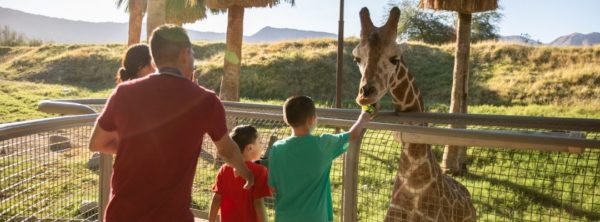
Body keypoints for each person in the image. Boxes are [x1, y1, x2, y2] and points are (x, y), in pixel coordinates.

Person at [88, 24, 254, 222]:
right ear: (184, 54)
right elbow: (226, 150)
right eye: (193, 54)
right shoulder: (206, 101)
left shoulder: (124, 92)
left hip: (121, 215)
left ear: (154, 58)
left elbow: (97, 142)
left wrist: (139, 149)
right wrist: (246, 173)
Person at [268, 96, 371, 222]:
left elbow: (273, 187)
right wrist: (364, 116)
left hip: (285, 217)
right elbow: (352, 135)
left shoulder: (277, 149)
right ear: (311, 120)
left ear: (286, 119)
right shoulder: (323, 145)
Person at [209, 125, 271, 222]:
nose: (262, 146)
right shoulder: (260, 171)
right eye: (260, 142)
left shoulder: (224, 169)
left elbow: (217, 199)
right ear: (250, 148)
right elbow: (258, 203)